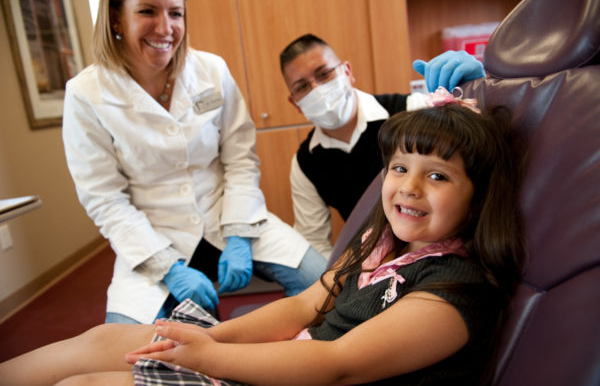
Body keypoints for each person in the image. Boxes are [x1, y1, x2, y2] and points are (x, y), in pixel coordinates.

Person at [0, 89, 526, 385]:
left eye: (437, 176)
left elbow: (333, 366)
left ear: (479, 197)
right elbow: (303, 307)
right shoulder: (381, 246)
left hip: (306, 373)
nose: (408, 187)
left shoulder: (455, 291)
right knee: (105, 341)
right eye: (399, 167)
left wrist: (208, 358)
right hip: (288, 357)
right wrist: (212, 338)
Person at [61, 0, 326, 325]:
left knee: (322, 288)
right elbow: (106, 199)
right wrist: (168, 269)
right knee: (125, 350)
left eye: (175, 13)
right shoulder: (86, 94)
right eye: (147, 12)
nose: (164, 28)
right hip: (152, 234)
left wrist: (240, 236)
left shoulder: (211, 70)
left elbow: (240, 159)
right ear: (116, 18)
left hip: (226, 213)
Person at [280, 34, 486, 259]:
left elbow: (482, 149)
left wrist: (479, 93)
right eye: (302, 86)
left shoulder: (414, 111)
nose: (317, 89)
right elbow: (315, 243)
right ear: (294, 102)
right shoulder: (305, 163)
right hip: (376, 260)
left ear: (347, 72)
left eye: (324, 74)